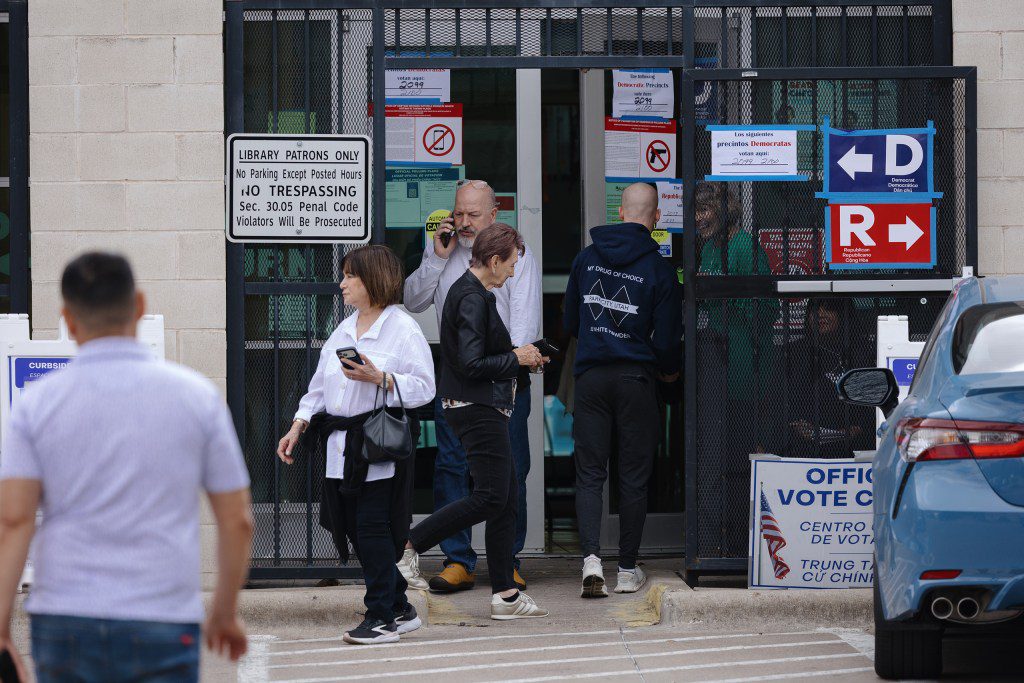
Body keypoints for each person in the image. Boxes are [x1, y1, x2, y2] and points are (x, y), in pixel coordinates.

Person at [0, 252, 253, 682]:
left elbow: (14, 519)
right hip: (162, 615)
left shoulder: (35, 405)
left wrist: (2, 629)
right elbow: (238, 522)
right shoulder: (197, 398)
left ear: (68, 318)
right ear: (138, 305)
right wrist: (224, 613)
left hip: (65, 616)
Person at [276, 245, 435, 645]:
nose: (342, 283)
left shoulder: (403, 328)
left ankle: (380, 617)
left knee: (370, 528)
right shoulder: (344, 329)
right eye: (344, 275)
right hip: (338, 446)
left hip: (375, 447)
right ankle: (400, 605)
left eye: (350, 276)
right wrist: (298, 425)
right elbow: (318, 389)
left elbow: (426, 389)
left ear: (374, 280)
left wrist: (379, 378)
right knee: (350, 526)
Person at [403, 180, 542, 593]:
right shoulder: (444, 253)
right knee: (450, 466)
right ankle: (458, 560)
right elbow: (412, 301)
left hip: (503, 373)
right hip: (460, 375)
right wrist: (434, 257)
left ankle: (507, 562)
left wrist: (512, 367)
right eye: (459, 213)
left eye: (473, 215)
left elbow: (523, 321)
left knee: (511, 471)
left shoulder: (516, 252)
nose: (463, 223)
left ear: (494, 213)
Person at [563, 183, 683, 598]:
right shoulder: (659, 269)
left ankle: (591, 561)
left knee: (590, 474)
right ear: (656, 218)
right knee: (633, 478)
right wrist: (668, 373)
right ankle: (628, 570)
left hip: (592, 377)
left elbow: (571, 323)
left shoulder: (586, 258)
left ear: (619, 212)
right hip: (636, 379)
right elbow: (668, 339)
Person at [695, 182, 780, 556]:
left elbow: (764, 311)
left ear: (725, 210)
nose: (698, 218)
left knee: (735, 460)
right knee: (715, 459)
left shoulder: (744, 246)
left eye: (705, 210)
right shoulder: (710, 248)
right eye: (695, 210)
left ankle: (735, 544)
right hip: (716, 366)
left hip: (742, 369)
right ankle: (717, 538)